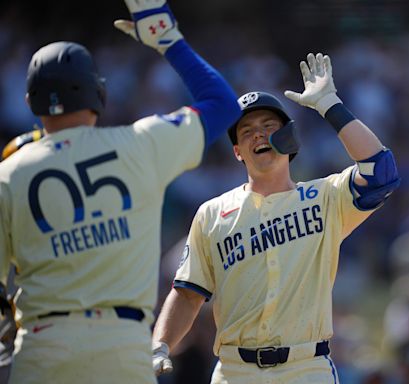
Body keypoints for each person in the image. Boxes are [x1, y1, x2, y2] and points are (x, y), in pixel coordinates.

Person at [0, 0, 241, 382]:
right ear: (99, 95)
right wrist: (166, 38)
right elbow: (224, 105)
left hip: (43, 344)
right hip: (124, 345)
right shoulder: (142, 143)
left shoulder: (8, 173)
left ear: (31, 103)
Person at [152, 52, 401, 383]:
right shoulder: (212, 214)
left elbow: (381, 173)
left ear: (289, 137)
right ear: (238, 151)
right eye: (246, 131)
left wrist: (329, 104)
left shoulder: (325, 197)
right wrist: (160, 346)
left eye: (269, 126)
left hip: (306, 367)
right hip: (235, 371)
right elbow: (187, 294)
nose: (258, 135)